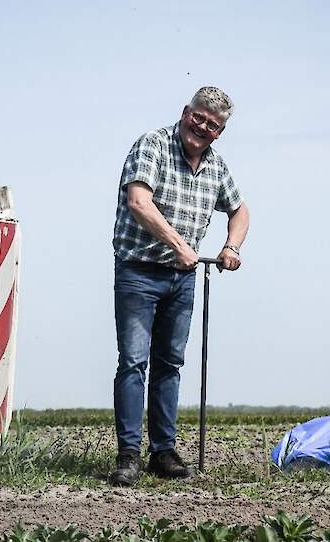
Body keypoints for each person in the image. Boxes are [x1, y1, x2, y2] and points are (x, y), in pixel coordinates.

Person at [109, 87, 250, 486]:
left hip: (183, 279)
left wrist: (230, 246)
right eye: (199, 118)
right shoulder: (152, 145)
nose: (203, 127)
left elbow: (240, 210)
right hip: (139, 271)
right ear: (186, 112)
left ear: (220, 132)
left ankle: (163, 452)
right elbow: (139, 201)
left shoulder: (216, 166)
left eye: (213, 125)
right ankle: (129, 455)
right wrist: (179, 245)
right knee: (134, 361)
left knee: (170, 364)